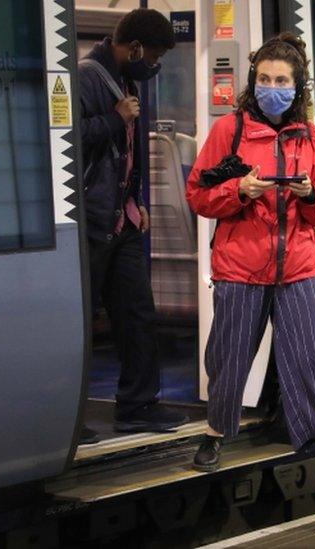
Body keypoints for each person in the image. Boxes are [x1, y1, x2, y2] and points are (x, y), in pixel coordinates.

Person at [184, 33, 315, 515]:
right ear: (252, 82)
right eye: (264, 79)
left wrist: (306, 197)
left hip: (300, 267)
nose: (271, 88)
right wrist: (240, 189)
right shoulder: (229, 132)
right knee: (230, 355)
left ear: (297, 86)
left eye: (281, 81)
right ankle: (215, 434)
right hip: (240, 266)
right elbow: (198, 196)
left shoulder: (310, 137)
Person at [77, 9, 188, 437]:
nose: (154, 64)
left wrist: (134, 202)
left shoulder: (123, 80)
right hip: (89, 220)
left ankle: (139, 403)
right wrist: (114, 118)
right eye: (154, 54)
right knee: (83, 322)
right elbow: (65, 136)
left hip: (119, 219)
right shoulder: (87, 76)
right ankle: (72, 418)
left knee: (137, 313)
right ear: (135, 47)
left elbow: (124, 154)